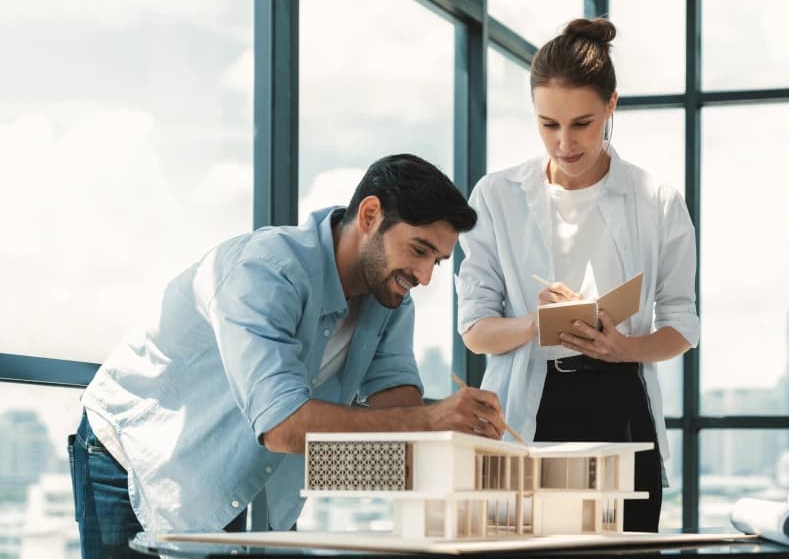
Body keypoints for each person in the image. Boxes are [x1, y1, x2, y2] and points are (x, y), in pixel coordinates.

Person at [69, 154, 507, 558]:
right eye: (418, 250)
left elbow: (401, 414)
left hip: (239, 474)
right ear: (370, 216)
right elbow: (283, 426)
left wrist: (458, 439)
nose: (425, 276)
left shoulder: (390, 302)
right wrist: (432, 421)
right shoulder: (265, 272)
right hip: (133, 451)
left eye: (438, 260)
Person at [455, 18, 700, 532]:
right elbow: (476, 331)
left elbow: (682, 324)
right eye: (549, 125)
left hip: (621, 405)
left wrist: (622, 348)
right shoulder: (497, 197)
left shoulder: (657, 201)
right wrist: (534, 323)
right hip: (528, 405)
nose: (564, 142)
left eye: (582, 124)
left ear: (612, 106)